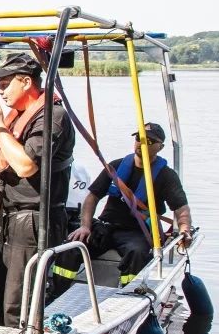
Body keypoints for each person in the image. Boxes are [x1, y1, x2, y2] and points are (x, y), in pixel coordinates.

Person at [0, 53, 75, 327]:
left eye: (5, 83)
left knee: (16, 299)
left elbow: (25, 166)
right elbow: (1, 167)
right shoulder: (17, 116)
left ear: (26, 81)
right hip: (8, 214)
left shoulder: (51, 117)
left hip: (34, 218)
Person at [68, 122, 193, 285]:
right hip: (107, 226)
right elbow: (92, 197)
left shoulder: (166, 176)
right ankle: (56, 292)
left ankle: (129, 294)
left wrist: (185, 231)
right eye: (139, 138)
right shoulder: (116, 166)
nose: (142, 143)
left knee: (137, 253)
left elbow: (181, 209)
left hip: (136, 232)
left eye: (149, 141)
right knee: (70, 247)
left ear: (160, 147)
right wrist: (85, 226)